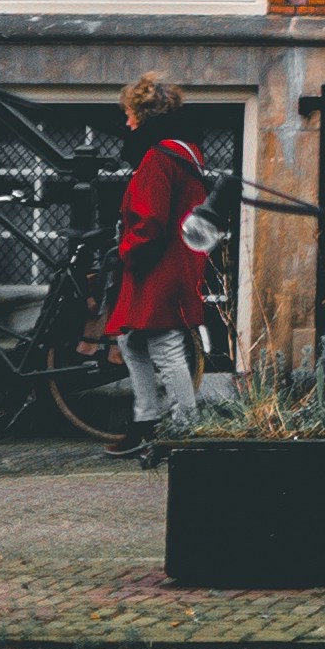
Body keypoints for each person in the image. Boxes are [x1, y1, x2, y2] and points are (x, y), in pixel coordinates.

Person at [99, 76, 219, 461]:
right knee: (130, 340)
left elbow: (150, 220)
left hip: (157, 264)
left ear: (143, 115)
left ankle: (183, 432)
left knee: (165, 347)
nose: (127, 123)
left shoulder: (158, 158)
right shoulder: (186, 152)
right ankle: (146, 420)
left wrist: (126, 252)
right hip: (176, 259)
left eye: (130, 115)